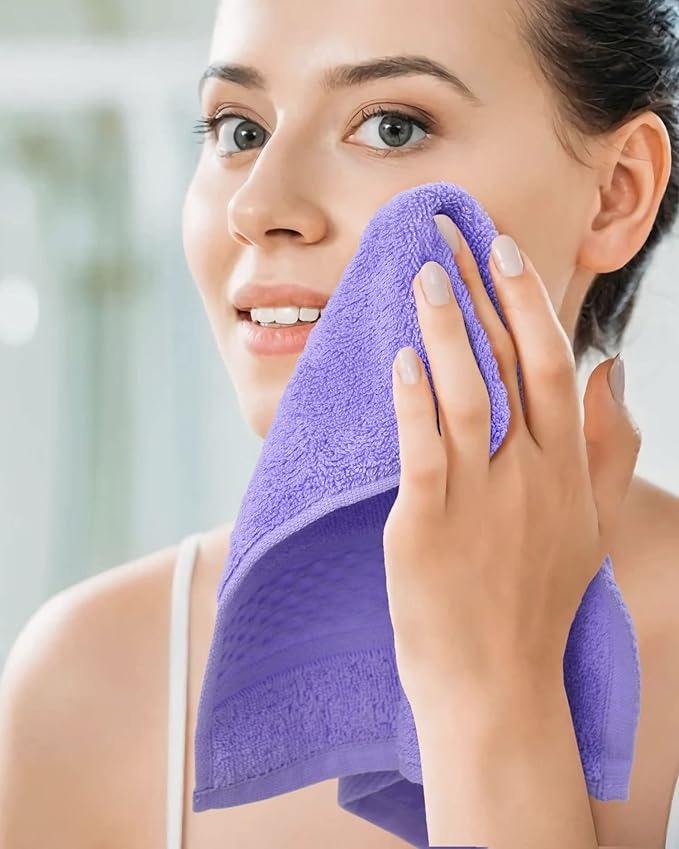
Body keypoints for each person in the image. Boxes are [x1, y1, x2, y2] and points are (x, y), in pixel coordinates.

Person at [2, 0, 679, 846]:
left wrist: (493, 691)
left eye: (392, 126)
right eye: (239, 130)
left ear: (615, 194)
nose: (258, 204)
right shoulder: (86, 686)